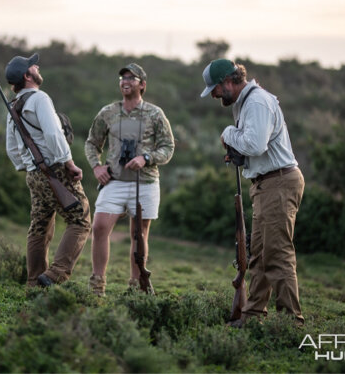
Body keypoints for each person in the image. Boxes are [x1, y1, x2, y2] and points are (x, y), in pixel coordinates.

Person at [200, 59, 305, 326]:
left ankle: (291, 323)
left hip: (278, 182)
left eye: (215, 88)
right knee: (259, 253)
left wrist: (228, 134)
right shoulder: (245, 104)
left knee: (278, 254)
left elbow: (255, 145)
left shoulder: (257, 102)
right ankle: (253, 315)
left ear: (228, 82)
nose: (213, 94)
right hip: (266, 183)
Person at [85, 63, 174, 296]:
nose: (125, 81)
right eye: (122, 78)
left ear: (142, 85)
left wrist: (147, 157)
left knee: (139, 234)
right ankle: (97, 285)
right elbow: (92, 143)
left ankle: (136, 286)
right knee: (100, 226)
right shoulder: (108, 112)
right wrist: (96, 167)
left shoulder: (155, 114)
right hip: (113, 180)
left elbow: (168, 147)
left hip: (144, 182)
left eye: (131, 78)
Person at [4, 53, 91, 287]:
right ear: (27, 75)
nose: (37, 66)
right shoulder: (40, 98)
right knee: (80, 220)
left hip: (34, 175)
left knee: (39, 226)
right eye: (33, 65)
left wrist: (27, 166)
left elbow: (11, 147)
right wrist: (69, 162)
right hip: (54, 170)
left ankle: (34, 283)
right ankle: (55, 275)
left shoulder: (14, 105)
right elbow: (54, 134)